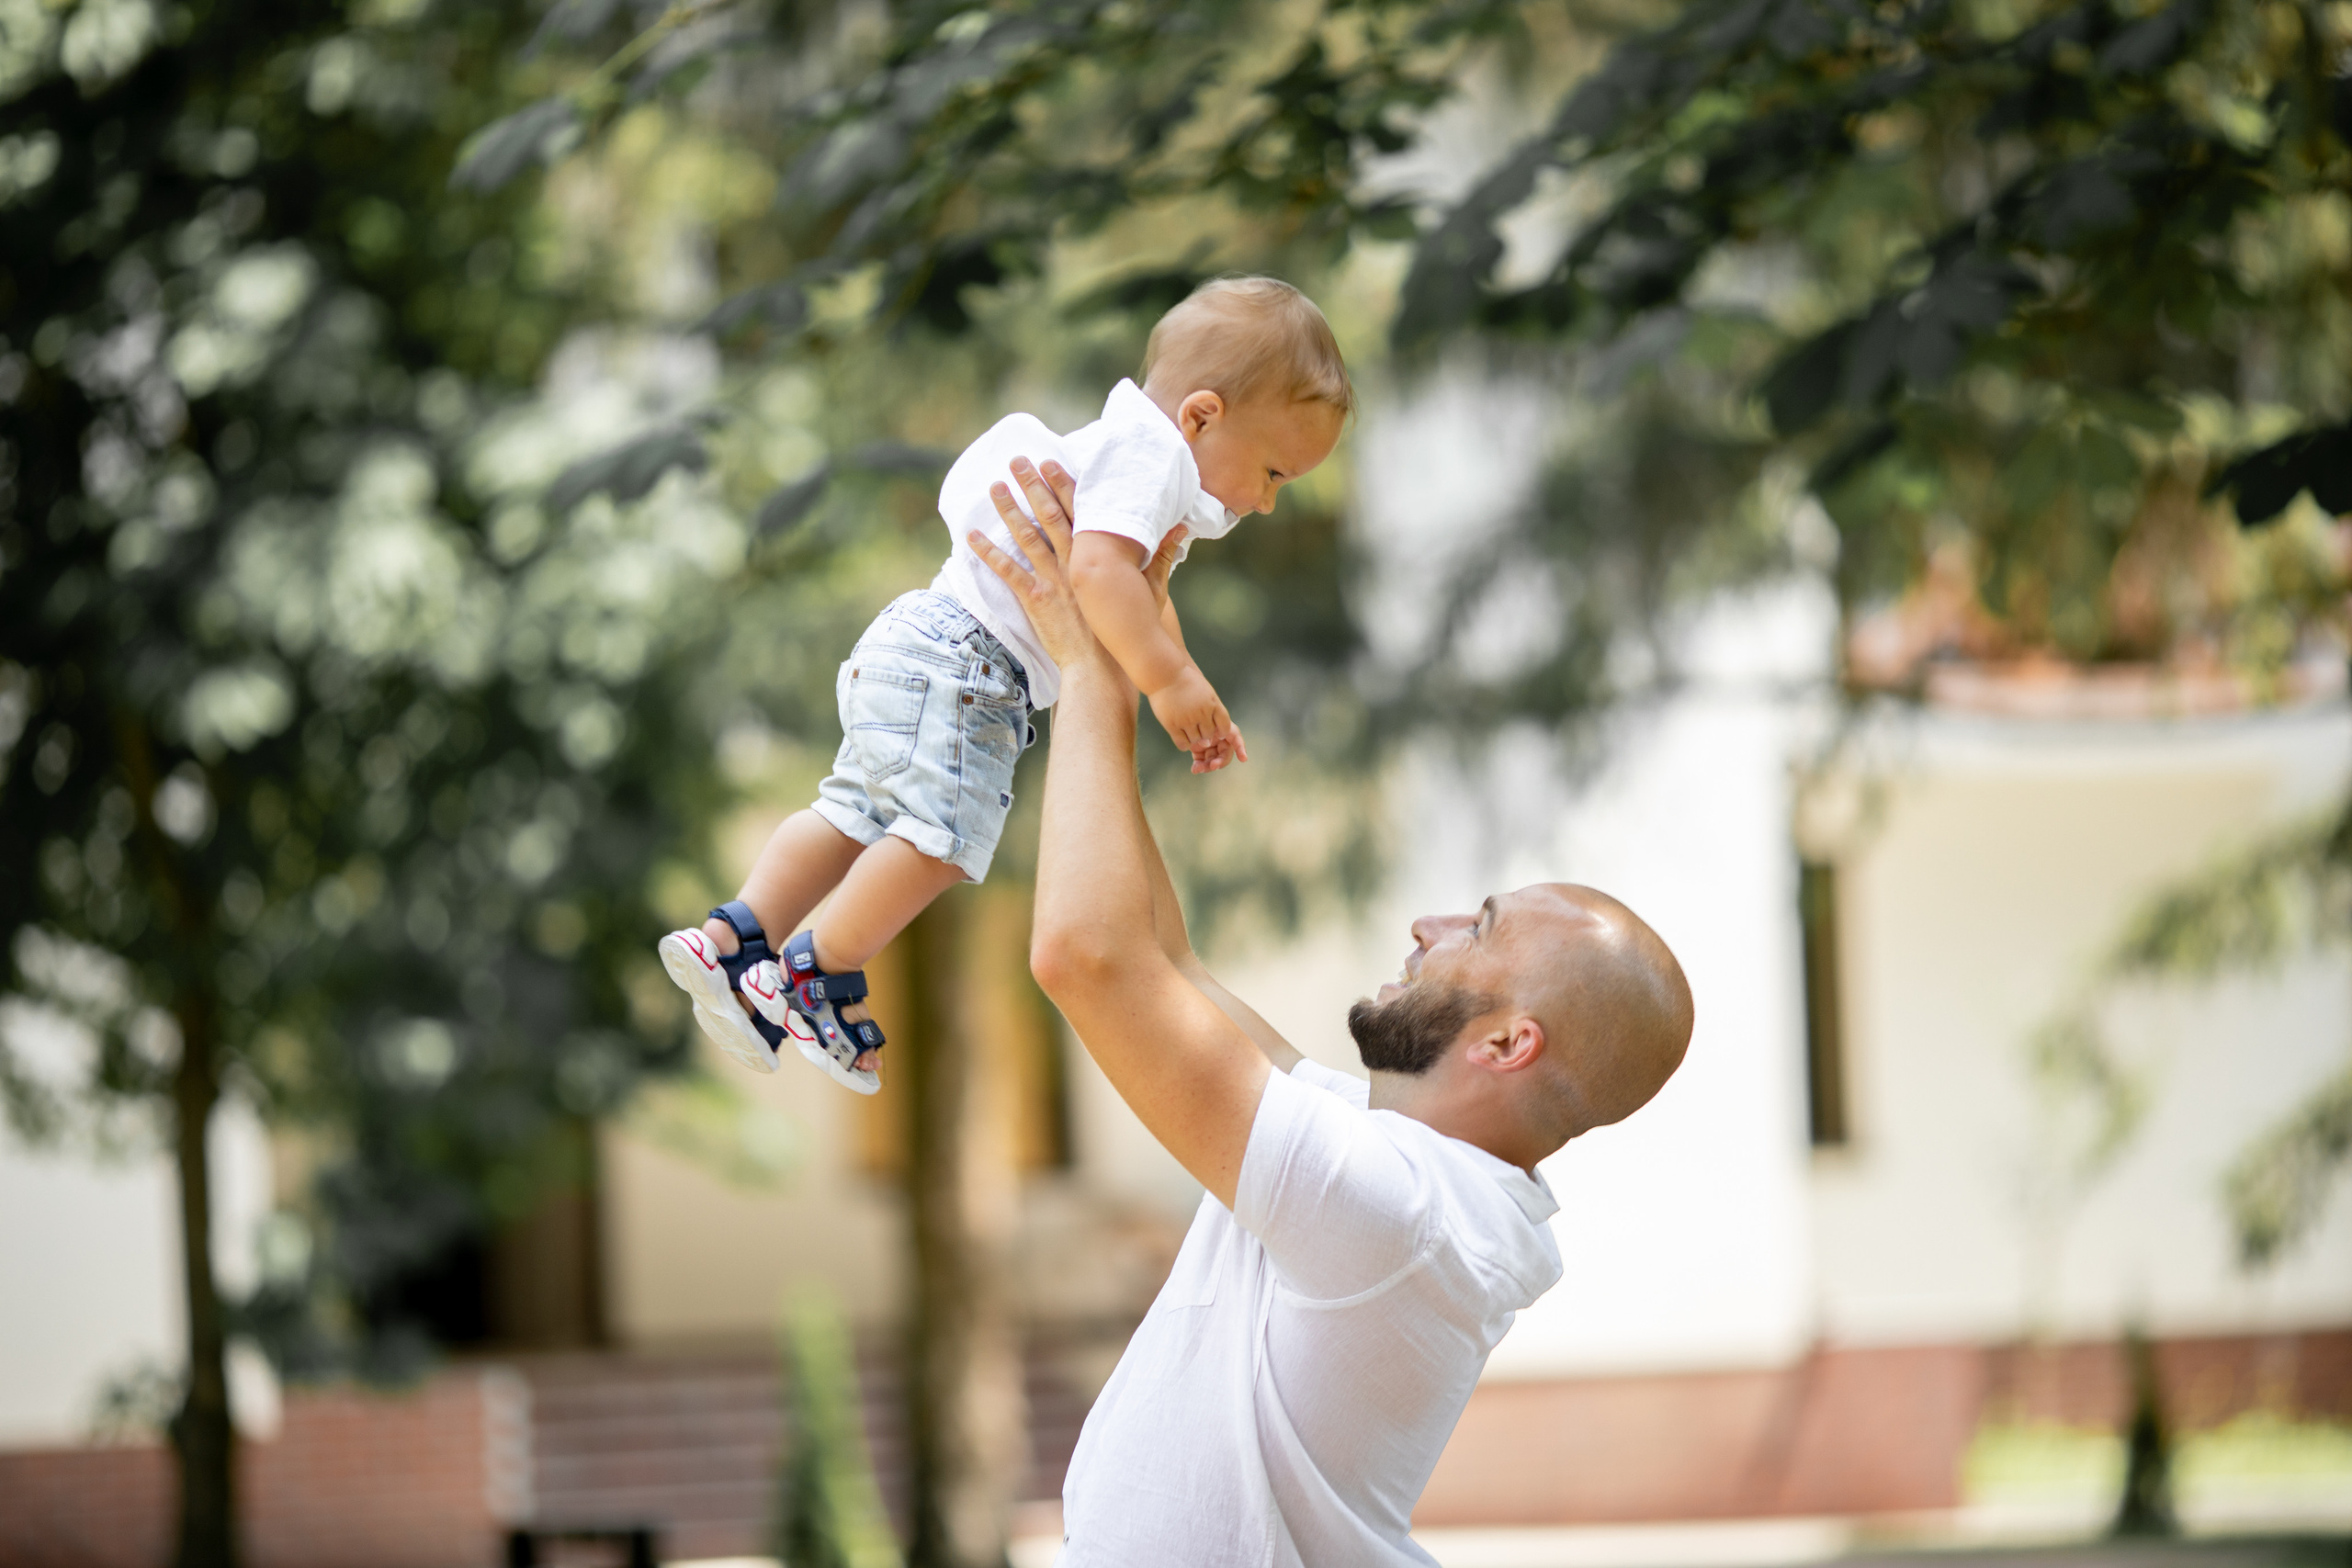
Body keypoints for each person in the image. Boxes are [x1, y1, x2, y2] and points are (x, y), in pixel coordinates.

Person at [965, 457, 1696, 1567]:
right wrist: (1121, 643)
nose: (1428, 924)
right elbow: (1166, 961)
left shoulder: (1393, 1211)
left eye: (1479, 928)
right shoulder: (1396, 1176)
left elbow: (1087, 958)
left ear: (1508, 1042)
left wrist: (1084, 663)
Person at [657, 277, 1352, 1092]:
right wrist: (1171, 684)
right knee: (941, 842)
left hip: (915, 637)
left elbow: (1140, 598)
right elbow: (1098, 574)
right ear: (1201, 416)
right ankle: (817, 969)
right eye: (1273, 471)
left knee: (850, 810)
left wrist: (1184, 688)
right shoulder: (1151, 457)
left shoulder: (1132, 456)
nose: (1268, 503)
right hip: (973, 669)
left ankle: (737, 936)